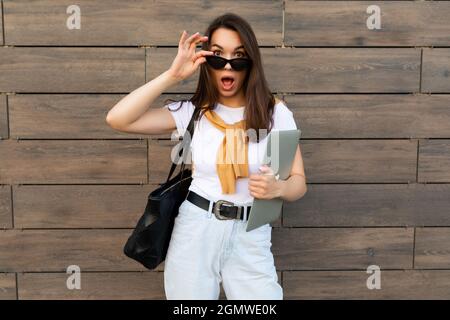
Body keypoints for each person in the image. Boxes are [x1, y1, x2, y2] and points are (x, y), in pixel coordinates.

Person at [106, 13, 307, 300]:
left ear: (251, 62)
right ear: (206, 62)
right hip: (196, 227)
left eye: (238, 57)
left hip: (251, 231)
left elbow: (299, 182)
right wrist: (172, 75)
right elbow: (118, 119)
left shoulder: (275, 113)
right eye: (217, 56)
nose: (228, 65)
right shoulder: (194, 112)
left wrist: (279, 188)